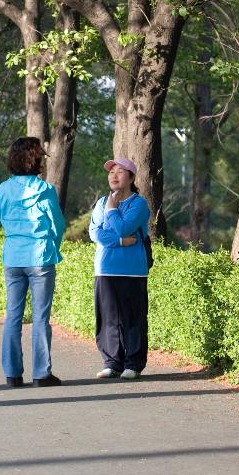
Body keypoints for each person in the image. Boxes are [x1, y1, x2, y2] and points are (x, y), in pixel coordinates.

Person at [0, 136, 66, 388]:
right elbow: (57, 224)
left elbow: (2, 217)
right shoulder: (45, 190)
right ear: (36, 160)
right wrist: (53, 246)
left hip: (13, 256)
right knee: (40, 317)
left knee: (13, 316)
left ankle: (12, 374)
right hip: (40, 257)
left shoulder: (4, 188)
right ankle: (41, 373)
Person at [89, 156, 151, 380]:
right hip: (105, 268)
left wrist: (112, 212)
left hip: (132, 269)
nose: (113, 175)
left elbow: (124, 227)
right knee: (108, 318)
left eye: (120, 172)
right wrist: (119, 241)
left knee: (133, 317)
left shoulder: (139, 204)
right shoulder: (101, 202)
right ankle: (112, 362)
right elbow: (95, 232)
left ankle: (133, 364)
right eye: (111, 172)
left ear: (132, 177)